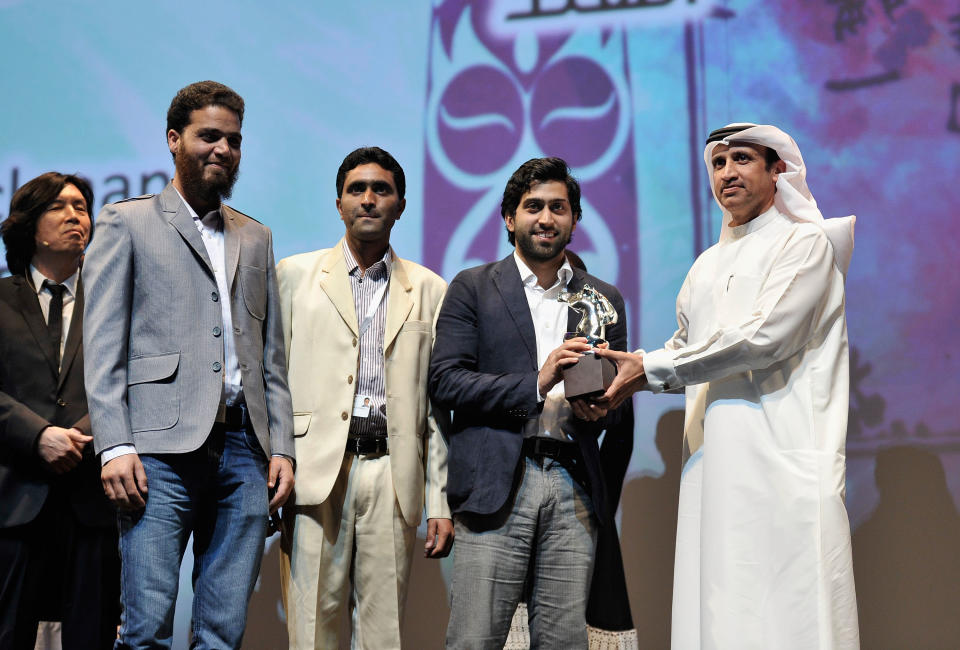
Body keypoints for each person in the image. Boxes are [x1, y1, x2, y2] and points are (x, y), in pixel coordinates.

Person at [596, 123, 859, 649]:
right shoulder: (706, 265)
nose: (727, 173)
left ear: (777, 168)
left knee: (789, 619)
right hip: (714, 469)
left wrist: (650, 370)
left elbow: (763, 339)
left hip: (782, 466)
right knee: (719, 615)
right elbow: (686, 349)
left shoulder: (806, 244)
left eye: (741, 159)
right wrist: (631, 367)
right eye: (718, 164)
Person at [82, 80, 295, 649]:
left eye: (233, 140)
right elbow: (102, 346)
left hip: (245, 454)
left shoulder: (256, 236)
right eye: (208, 136)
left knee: (222, 634)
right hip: (157, 451)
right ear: (174, 140)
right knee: (146, 628)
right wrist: (115, 445)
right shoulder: (126, 222)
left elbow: (269, 355)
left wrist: (281, 448)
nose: (223, 149)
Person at [429, 157, 628, 648]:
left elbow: (620, 399)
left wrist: (602, 408)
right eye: (533, 206)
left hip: (573, 483)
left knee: (563, 642)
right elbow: (446, 381)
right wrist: (536, 382)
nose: (546, 218)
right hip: (496, 483)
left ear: (574, 219)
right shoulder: (472, 287)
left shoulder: (603, 298)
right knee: (475, 639)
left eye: (558, 207)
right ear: (509, 218)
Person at [277, 146, 453, 649]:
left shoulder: (429, 288)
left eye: (382, 190)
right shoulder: (294, 275)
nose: (369, 200)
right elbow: (271, 382)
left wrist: (439, 499)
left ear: (400, 205)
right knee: (313, 627)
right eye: (357, 189)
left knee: (385, 633)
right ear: (338, 204)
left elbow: (438, 409)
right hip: (315, 468)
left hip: (393, 470)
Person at [0, 172, 119, 649]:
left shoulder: (114, 299)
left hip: (94, 496)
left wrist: (80, 434)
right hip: (14, 497)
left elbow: (134, 377)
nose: (76, 216)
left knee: (92, 636)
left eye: (82, 207)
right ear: (31, 226)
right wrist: (38, 436)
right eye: (60, 207)